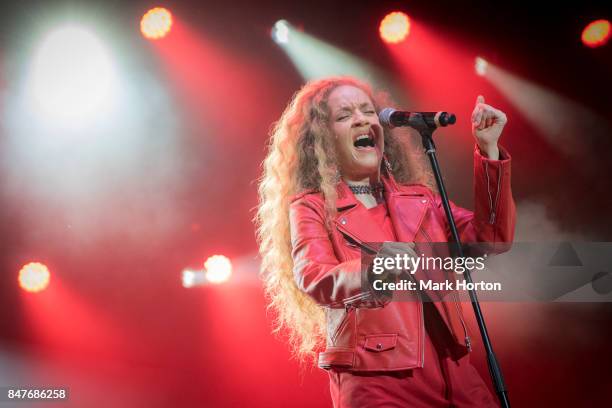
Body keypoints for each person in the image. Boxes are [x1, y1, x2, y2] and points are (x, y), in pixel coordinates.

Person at [255, 76, 515, 407]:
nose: (362, 119)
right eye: (345, 115)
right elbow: (316, 277)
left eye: (367, 111)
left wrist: (489, 149)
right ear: (321, 140)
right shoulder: (311, 206)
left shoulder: (420, 200)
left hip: (456, 372)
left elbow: (492, 238)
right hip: (378, 382)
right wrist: (376, 268)